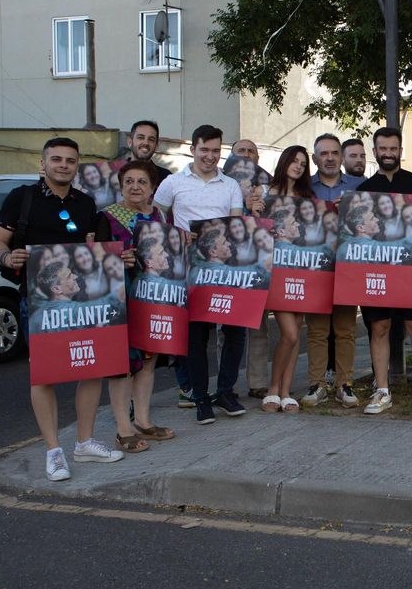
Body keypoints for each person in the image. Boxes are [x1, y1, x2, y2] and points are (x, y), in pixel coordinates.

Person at [0, 137, 124, 481]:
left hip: (81, 302)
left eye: (70, 160)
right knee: (44, 374)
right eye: (57, 159)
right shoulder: (22, 198)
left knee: (91, 368)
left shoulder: (85, 203)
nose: (64, 165)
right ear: (44, 163)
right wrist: (8, 257)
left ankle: (84, 442)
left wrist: (113, 256)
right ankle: (53, 451)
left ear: (77, 165)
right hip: (38, 302)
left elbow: (92, 251)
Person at [153, 124, 249, 424]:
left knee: (234, 331)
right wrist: (174, 235)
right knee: (196, 337)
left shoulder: (231, 184)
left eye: (215, 150)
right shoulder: (172, 182)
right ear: (192, 149)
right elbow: (155, 217)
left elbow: (235, 225)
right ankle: (200, 398)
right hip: (189, 271)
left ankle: (226, 392)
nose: (210, 156)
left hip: (224, 269)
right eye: (204, 149)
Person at [94, 160, 176, 453]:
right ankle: (123, 429)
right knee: (122, 364)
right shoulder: (107, 217)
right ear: (121, 185)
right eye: (129, 181)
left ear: (153, 187)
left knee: (149, 359)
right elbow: (96, 262)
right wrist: (118, 259)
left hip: (154, 297)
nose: (135, 187)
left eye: (142, 182)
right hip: (122, 298)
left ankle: (142, 421)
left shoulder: (161, 216)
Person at [357, 127, 412, 414]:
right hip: (375, 268)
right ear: (375, 151)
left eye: (393, 148)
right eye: (383, 148)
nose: (388, 153)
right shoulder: (364, 189)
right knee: (379, 328)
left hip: (409, 266)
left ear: (401, 151)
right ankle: (382, 391)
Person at [303, 133, 362, 409]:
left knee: (345, 330)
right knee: (316, 331)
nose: (329, 158)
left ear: (341, 157)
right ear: (314, 158)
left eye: (334, 153)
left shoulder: (359, 187)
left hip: (347, 266)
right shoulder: (303, 188)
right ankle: (317, 384)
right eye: (323, 153)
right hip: (314, 268)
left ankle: (344, 384)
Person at [258, 146, 315, 414]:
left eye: (303, 163)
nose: (298, 166)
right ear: (284, 162)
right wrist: (254, 210)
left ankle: (285, 390)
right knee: (289, 334)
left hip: (303, 270)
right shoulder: (265, 194)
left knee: (297, 331)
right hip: (275, 271)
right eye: (294, 161)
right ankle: (272, 388)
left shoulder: (308, 198)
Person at [125, 119, 173, 187]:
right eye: (140, 137)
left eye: (151, 139)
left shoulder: (165, 177)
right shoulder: (116, 172)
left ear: (156, 146)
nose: (146, 143)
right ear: (130, 142)